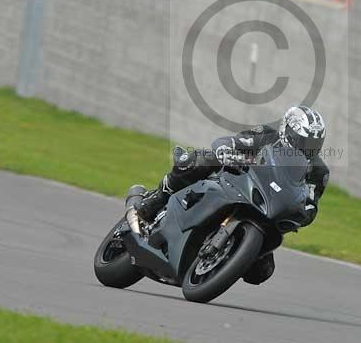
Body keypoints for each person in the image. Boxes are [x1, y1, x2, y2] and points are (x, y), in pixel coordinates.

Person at [135, 105, 330, 285]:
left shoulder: (318, 172)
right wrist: (227, 150)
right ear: (287, 131)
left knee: (262, 272)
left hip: (269, 211)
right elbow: (234, 141)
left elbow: (311, 205)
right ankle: (159, 196)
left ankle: (224, 259)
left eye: (314, 142)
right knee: (201, 160)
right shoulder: (268, 135)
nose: (308, 146)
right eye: (304, 140)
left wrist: (302, 213)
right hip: (238, 181)